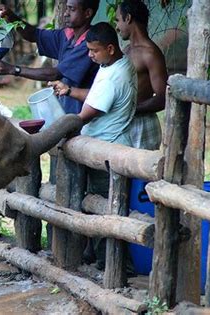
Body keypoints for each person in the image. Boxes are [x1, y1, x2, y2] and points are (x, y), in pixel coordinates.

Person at [50, 22, 137, 270]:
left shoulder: (115, 74)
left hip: (106, 151)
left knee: (104, 212)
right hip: (103, 145)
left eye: (94, 51)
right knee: (98, 208)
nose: (89, 55)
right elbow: (96, 95)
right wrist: (70, 91)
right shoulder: (113, 64)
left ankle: (114, 267)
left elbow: (86, 114)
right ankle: (100, 260)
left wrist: (61, 128)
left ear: (110, 48)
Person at [0, 0, 100, 114]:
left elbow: (55, 74)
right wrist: (11, 17)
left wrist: (13, 69)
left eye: (72, 9)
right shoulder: (67, 35)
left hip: (85, 116)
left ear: (87, 13)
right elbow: (34, 35)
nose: (66, 13)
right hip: (68, 112)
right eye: (67, 8)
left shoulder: (89, 45)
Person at [115, 0, 168, 150]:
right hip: (123, 123)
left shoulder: (150, 53)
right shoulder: (126, 50)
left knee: (141, 171)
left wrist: (132, 110)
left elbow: (163, 98)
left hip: (142, 124)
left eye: (118, 20)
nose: (117, 27)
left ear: (128, 18)